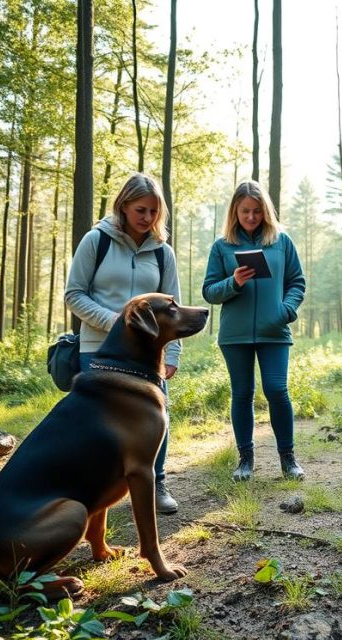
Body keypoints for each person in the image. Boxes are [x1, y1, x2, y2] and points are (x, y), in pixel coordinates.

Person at [64, 172, 183, 515]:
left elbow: (174, 307)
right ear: (124, 206)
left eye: (153, 212)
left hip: (149, 356)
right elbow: (74, 295)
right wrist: (117, 322)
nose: (147, 219)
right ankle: (95, 491)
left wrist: (172, 352)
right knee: (100, 424)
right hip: (98, 349)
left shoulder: (163, 253)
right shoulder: (95, 241)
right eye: (141, 210)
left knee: (155, 417)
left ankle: (156, 482)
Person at [202, 180, 307, 482]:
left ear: (266, 212)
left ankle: (288, 458)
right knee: (242, 393)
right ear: (235, 210)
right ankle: (245, 459)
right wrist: (233, 282)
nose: (251, 217)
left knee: (277, 390)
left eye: (257, 211)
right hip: (234, 335)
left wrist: (285, 310)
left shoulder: (281, 241)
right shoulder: (222, 246)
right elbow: (209, 291)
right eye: (245, 211)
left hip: (274, 331)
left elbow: (297, 282)